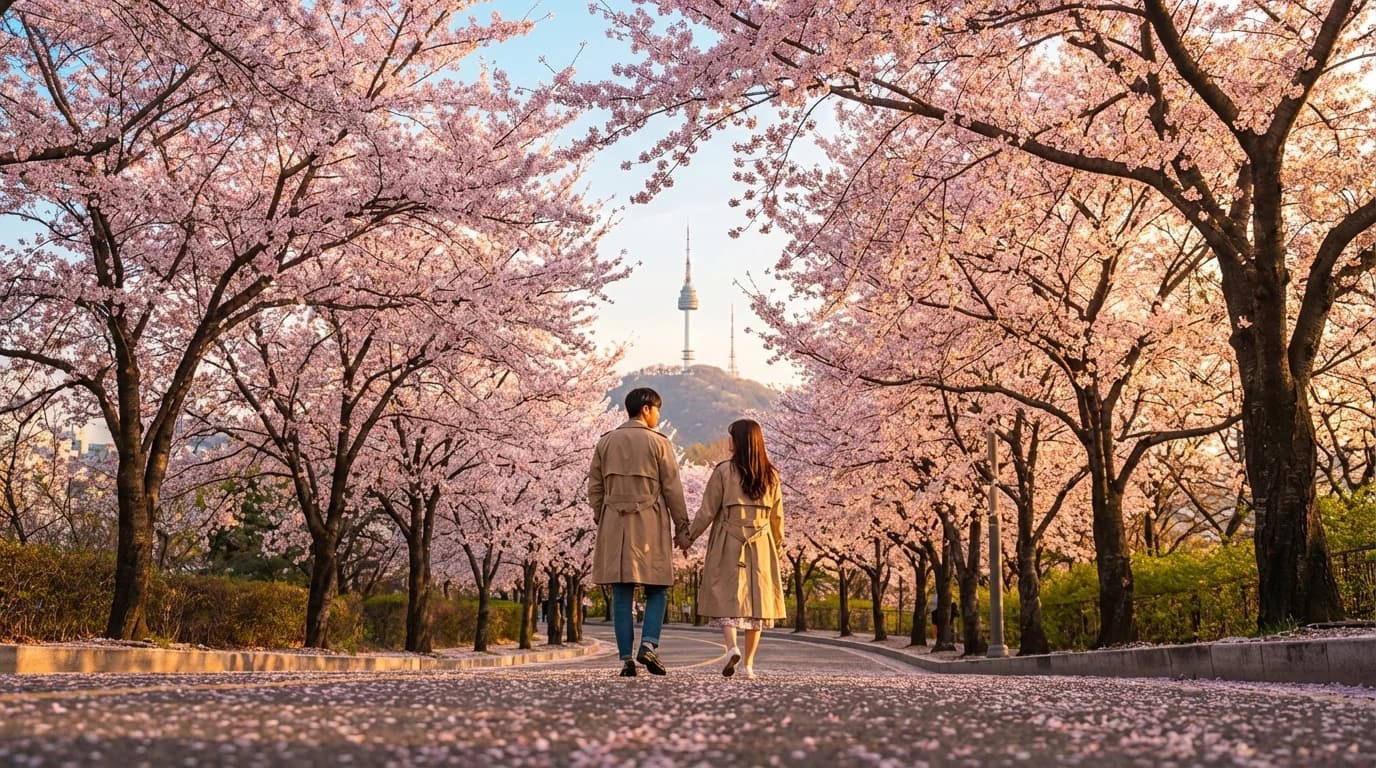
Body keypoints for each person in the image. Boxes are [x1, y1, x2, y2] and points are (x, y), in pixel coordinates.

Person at [588, 387, 691, 677]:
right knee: (657, 588)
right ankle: (648, 644)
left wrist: (602, 514)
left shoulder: (606, 442)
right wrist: (682, 527)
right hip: (650, 523)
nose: (658, 415)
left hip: (614, 525)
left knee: (622, 591)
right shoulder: (659, 443)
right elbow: (673, 489)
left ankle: (626, 659)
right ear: (646, 409)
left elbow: (594, 486)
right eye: (657, 409)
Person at [678, 418, 786, 680]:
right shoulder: (771, 475)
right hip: (761, 542)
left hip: (729, 537)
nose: (728, 441)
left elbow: (706, 510)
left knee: (726, 593)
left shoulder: (724, 471)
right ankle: (748, 665)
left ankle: (731, 648)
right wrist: (777, 546)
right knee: (756, 604)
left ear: (738, 441)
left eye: (730, 436)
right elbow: (777, 518)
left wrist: (687, 537)